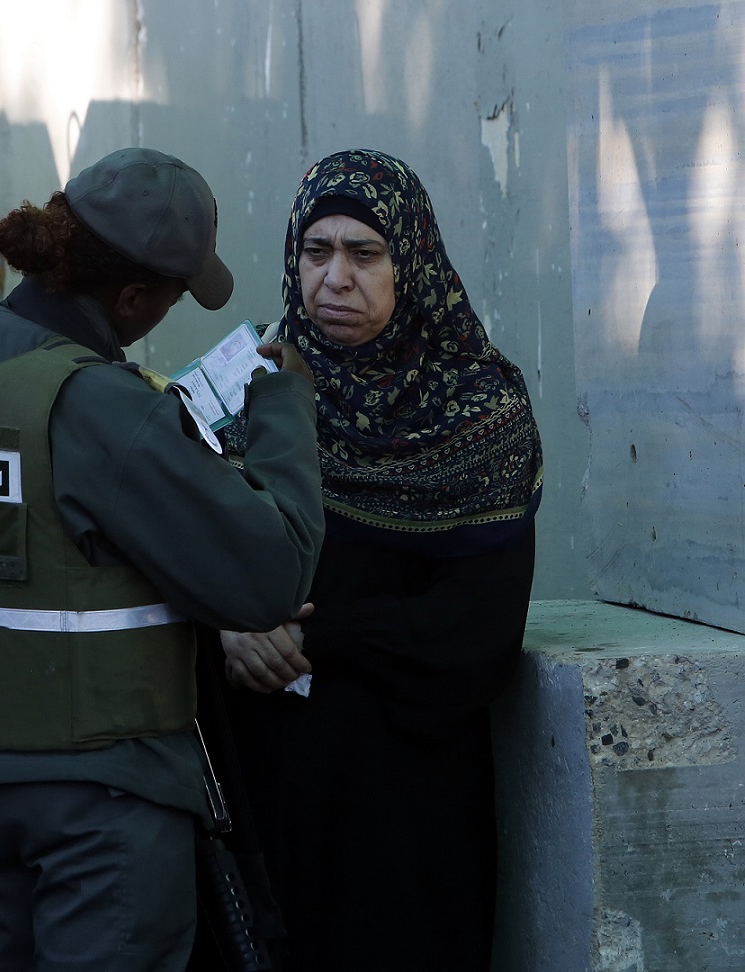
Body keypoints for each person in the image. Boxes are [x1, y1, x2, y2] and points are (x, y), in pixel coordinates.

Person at [0, 146, 326, 970]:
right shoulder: (98, 402)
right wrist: (282, 408)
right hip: (101, 814)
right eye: (174, 297)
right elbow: (268, 576)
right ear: (132, 297)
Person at [220, 149, 543, 971]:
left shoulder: (480, 412)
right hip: (265, 789)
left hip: (409, 803)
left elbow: (479, 634)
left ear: (414, 264)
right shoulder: (245, 392)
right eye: (315, 251)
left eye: (365, 254)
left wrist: (305, 641)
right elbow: (173, 565)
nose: (335, 278)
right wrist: (226, 630)